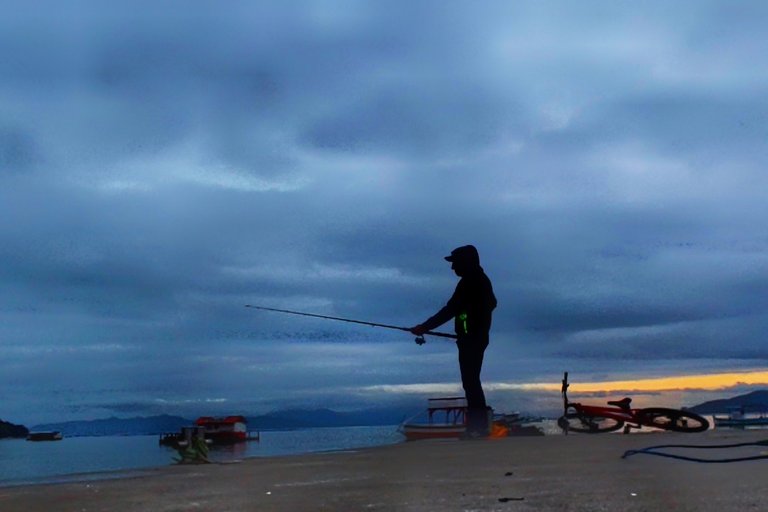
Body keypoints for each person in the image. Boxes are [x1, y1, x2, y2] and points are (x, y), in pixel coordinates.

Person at [410, 245, 497, 438]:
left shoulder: (472, 281)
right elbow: (488, 304)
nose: (452, 268)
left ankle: (478, 428)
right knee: (471, 381)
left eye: (455, 263)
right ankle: (478, 427)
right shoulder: (478, 280)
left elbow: (451, 310)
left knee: (471, 382)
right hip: (473, 338)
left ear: (466, 262)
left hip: (472, 339)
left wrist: (424, 327)